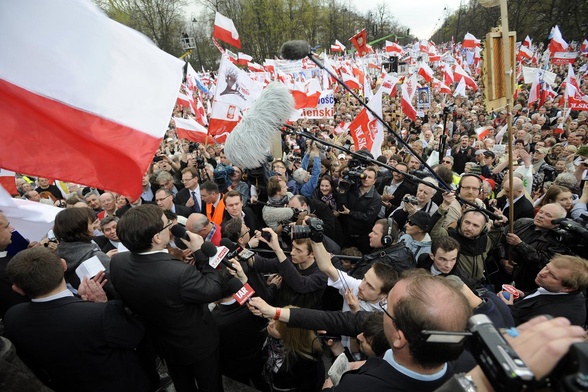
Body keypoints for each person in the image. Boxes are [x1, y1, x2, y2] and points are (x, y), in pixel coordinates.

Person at [110, 204, 225, 392]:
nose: (171, 229)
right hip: (198, 344)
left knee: (182, 384)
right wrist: (201, 255)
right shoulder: (178, 273)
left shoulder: (117, 262)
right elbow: (213, 289)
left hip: (164, 343)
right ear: (156, 237)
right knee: (209, 385)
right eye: (166, 226)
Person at [4, 247, 152, 392]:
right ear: (63, 265)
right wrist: (101, 305)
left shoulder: (12, 317)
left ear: (17, 289)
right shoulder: (100, 313)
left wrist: (80, 302)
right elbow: (134, 336)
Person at [490, 203, 570, 292]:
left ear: (557, 223)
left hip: (525, 285)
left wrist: (520, 244)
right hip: (500, 276)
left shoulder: (557, 241)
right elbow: (499, 241)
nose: (540, 216)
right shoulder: (521, 222)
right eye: (540, 212)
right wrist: (502, 260)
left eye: (548, 215)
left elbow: (541, 262)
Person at [248, 228, 327, 310]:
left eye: (298, 250)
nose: (292, 252)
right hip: (280, 312)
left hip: (302, 318)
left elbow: (301, 284)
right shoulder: (289, 261)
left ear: (312, 254)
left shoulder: (321, 272)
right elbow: (262, 264)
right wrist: (242, 251)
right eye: (293, 247)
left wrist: (278, 250)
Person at [498, 254, 588, 326]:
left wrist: (507, 307)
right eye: (546, 267)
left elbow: (518, 332)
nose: (542, 273)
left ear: (568, 288)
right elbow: (542, 297)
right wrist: (524, 295)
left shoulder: (557, 318)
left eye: (552, 275)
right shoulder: (557, 289)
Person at [262, 306, 324, 392]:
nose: (270, 324)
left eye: (277, 328)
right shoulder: (270, 336)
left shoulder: (304, 359)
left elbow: (308, 386)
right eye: (273, 319)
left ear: (289, 336)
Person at [53, 207, 112, 292]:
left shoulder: (56, 257)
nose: (94, 227)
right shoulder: (98, 259)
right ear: (80, 228)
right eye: (90, 223)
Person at [348, 218, 416, 279]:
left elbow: (353, 280)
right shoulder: (407, 252)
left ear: (386, 239)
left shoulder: (381, 263)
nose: (370, 235)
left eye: (375, 233)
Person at [337, 166, 382, 253]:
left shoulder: (376, 198)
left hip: (362, 237)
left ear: (375, 180)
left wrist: (350, 213)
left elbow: (368, 217)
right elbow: (341, 207)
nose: (366, 179)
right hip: (346, 233)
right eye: (364, 176)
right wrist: (342, 191)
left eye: (369, 177)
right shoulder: (352, 189)